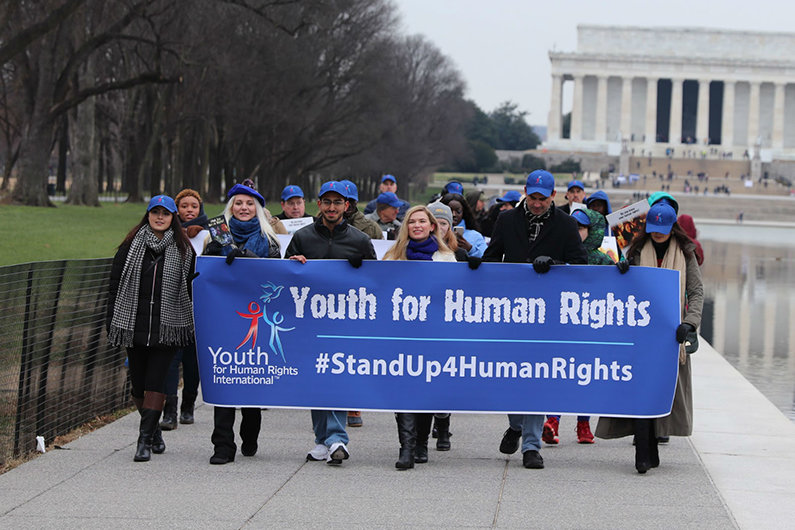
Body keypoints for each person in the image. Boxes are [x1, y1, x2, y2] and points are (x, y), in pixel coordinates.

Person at [484, 169, 587, 469]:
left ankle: (531, 445)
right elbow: (493, 258)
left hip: (547, 316)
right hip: (511, 312)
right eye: (533, 197)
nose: (537, 203)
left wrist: (555, 265)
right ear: (525, 193)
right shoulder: (507, 220)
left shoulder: (567, 224)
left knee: (537, 378)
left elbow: (580, 266)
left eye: (543, 198)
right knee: (510, 377)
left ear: (553, 196)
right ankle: (516, 425)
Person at [595, 200, 704, 474]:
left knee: (660, 391)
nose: (657, 234)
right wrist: (619, 271)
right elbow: (622, 289)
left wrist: (689, 324)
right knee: (640, 390)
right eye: (653, 228)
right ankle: (642, 453)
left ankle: (651, 447)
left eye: (662, 229)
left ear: (672, 228)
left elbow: (697, 291)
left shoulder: (686, 253)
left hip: (669, 334)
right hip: (639, 332)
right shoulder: (637, 250)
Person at [285, 180, 377, 465]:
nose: (333, 207)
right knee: (316, 378)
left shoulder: (360, 240)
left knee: (336, 374)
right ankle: (322, 440)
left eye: (338, 202)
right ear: (319, 204)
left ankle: (338, 437)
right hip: (311, 322)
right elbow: (285, 275)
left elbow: (376, 281)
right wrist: (293, 263)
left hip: (344, 323)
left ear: (346, 206)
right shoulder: (302, 236)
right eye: (328, 202)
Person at [107, 195, 195, 462]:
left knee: (156, 383)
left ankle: (143, 441)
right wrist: (112, 319)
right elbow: (114, 287)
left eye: (165, 214)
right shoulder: (129, 247)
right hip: (133, 325)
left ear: (173, 218)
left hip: (167, 326)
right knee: (138, 386)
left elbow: (190, 288)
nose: (160, 217)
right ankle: (154, 430)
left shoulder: (184, 250)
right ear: (147, 215)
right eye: (155, 212)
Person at [205, 183, 281, 465]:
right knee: (224, 378)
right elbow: (204, 279)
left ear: (258, 209)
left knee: (250, 379)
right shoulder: (214, 238)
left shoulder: (269, 241)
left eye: (249, 203)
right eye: (239, 203)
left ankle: (250, 435)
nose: (244, 208)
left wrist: (250, 261)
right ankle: (222, 445)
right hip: (223, 318)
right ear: (230, 207)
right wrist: (214, 254)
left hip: (256, 320)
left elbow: (275, 281)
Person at [383, 206, 456, 469]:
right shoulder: (393, 257)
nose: (417, 225)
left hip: (433, 335)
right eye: (411, 221)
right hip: (401, 334)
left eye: (422, 221)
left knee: (426, 389)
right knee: (402, 390)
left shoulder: (446, 258)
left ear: (432, 226)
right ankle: (406, 447)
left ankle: (422, 443)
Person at [542, 208, 617, 446]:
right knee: (558, 373)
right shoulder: (556, 253)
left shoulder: (603, 259)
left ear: (591, 231)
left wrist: (623, 269)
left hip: (591, 326)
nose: (576, 233)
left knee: (586, 375)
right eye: (572, 227)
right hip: (561, 325)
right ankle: (552, 421)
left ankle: (583, 423)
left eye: (581, 228)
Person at [159, 189, 207, 431]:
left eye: (194, 206)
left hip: (199, 306)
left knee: (192, 362)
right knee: (170, 359)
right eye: (185, 206)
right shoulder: (166, 232)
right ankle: (170, 410)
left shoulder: (209, 234)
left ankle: (188, 405)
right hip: (171, 305)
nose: (190, 210)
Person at [338, 179, 381, 428]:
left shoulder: (370, 228)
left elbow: (377, 263)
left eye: (348, 201)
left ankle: (354, 405)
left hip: (360, 297)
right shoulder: (317, 225)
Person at [440, 193, 486, 258]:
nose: (454, 214)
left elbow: (487, 259)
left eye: (458, 211)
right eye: (449, 211)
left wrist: (470, 249)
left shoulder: (475, 236)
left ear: (464, 212)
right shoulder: (433, 234)